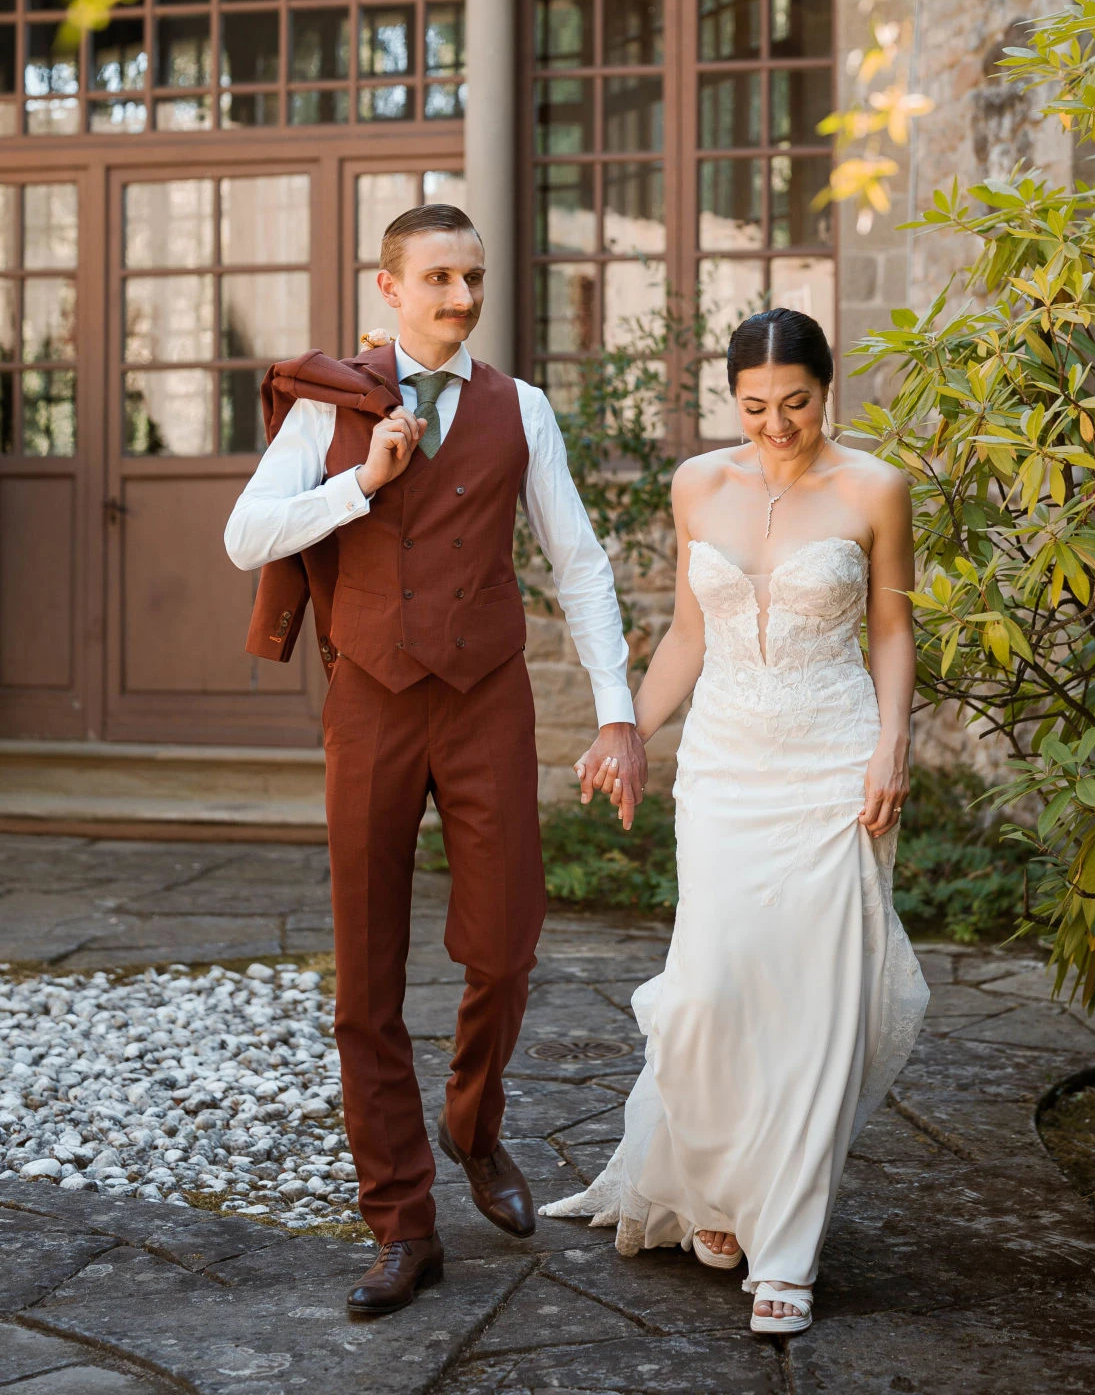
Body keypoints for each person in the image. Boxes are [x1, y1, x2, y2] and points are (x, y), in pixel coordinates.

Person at [223, 203, 646, 1319]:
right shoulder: (329, 407)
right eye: (441, 278)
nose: (462, 298)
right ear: (389, 287)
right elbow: (244, 535)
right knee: (365, 974)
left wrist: (617, 714)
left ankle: (472, 1116)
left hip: (484, 700)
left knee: (505, 944)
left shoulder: (523, 410)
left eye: (474, 277)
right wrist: (358, 481)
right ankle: (401, 1220)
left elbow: (581, 563)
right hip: (368, 701)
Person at [543, 306, 930, 1336]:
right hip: (722, 766)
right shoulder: (697, 484)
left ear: (826, 386)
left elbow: (892, 628)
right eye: (754, 405)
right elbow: (685, 631)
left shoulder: (873, 486)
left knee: (813, 1009)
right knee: (708, 995)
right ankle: (714, 1186)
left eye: (795, 402)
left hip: (831, 763)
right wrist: (623, 724)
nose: (776, 424)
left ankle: (787, 1251)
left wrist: (892, 742)